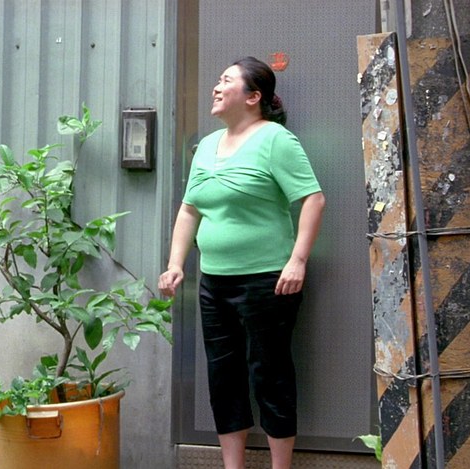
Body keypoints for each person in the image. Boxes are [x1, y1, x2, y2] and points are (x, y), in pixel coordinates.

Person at [158, 56, 325, 469]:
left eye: (226, 81)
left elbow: (312, 199)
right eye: (217, 80)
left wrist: (297, 260)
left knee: (269, 373)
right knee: (223, 376)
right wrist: (176, 264)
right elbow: (190, 209)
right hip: (214, 282)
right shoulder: (207, 145)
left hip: (268, 281)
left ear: (253, 97)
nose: (216, 87)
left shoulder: (275, 140)